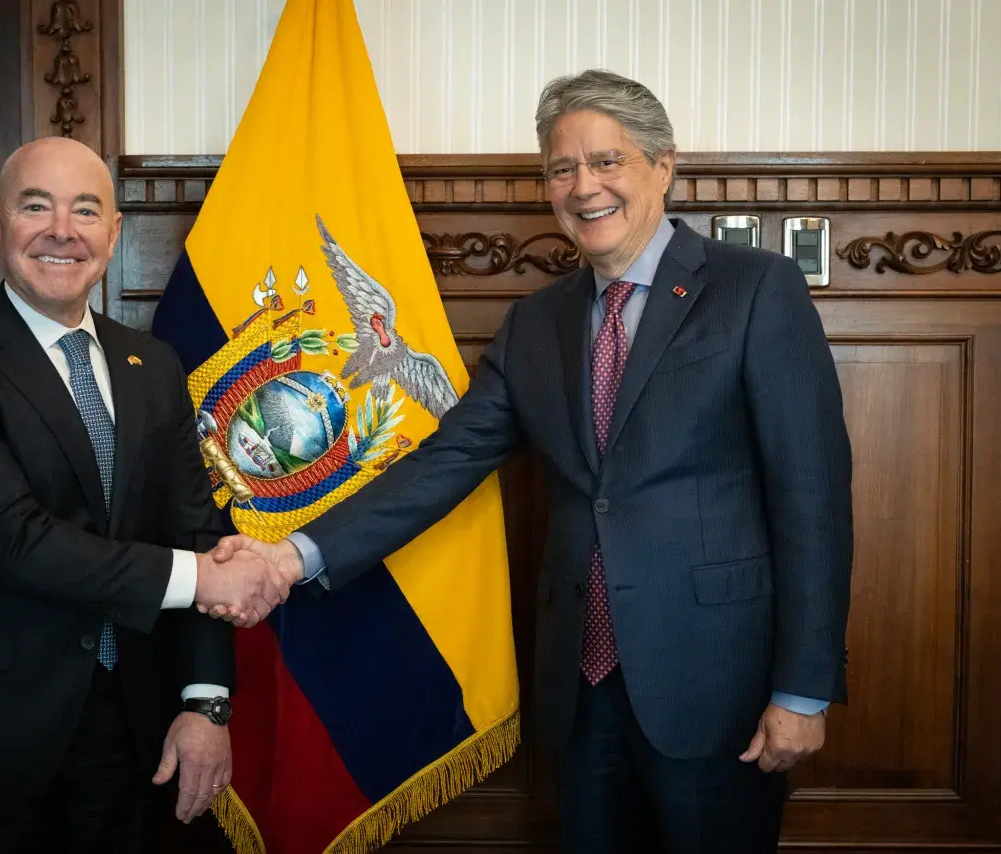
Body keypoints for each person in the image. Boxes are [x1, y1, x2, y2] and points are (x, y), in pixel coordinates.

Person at [218, 69, 854, 851]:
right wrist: (289, 559)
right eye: (562, 168)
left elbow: (813, 500)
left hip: (718, 688)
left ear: (664, 165)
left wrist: (804, 688)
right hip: (580, 695)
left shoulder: (755, 289)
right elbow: (441, 464)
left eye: (607, 161)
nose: (584, 186)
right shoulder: (535, 325)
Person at [0, 136, 287, 853]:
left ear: (114, 231)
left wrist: (206, 703)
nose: (62, 231)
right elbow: (17, 539)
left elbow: (195, 527)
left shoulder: (153, 365)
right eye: (35, 207)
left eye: (86, 210)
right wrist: (206, 578)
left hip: (139, 733)